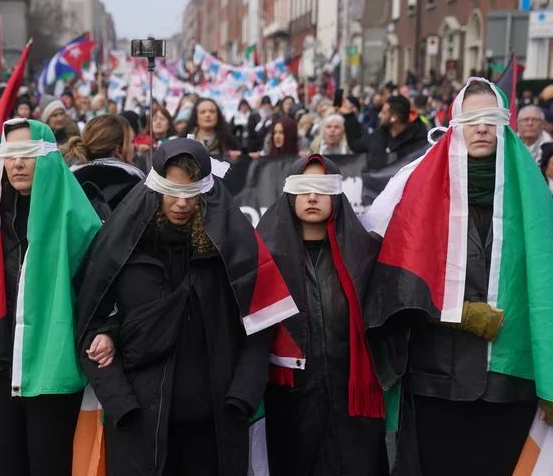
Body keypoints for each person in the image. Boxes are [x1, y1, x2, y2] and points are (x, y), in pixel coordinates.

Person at [363, 78, 553, 476]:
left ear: (506, 125)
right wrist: (455, 311)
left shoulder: (535, 197)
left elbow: (545, 288)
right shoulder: (418, 191)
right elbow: (393, 282)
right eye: (472, 118)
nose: (482, 127)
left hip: (511, 383)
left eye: (491, 118)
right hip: (439, 382)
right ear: (455, 126)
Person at [76, 138, 296, 476]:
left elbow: (261, 324)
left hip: (215, 427)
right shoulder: (122, 250)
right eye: (172, 191)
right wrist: (121, 403)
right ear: (155, 190)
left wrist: (242, 396)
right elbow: (89, 325)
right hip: (140, 428)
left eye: (190, 193)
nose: (181, 203)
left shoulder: (231, 252)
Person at [0, 118, 102, 476]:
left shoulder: (81, 221)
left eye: (27, 154)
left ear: (46, 158)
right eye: (10, 155)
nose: (17, 163)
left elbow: (99, 295)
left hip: (52, 368)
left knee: (50, 466)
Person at [258, 155, 388, 475]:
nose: (313, 197)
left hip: (354, 405)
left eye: (321, 188)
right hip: (290, 405)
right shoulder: (263, 260)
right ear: (290, 195)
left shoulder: (367, 255)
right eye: (304, 189)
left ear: (337, 196)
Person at [67, 114, 145, 219]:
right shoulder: (135, 186)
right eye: (131, 141)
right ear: (118, 149)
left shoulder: (68, 179)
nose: (133, 146)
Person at [345, 94, 428, 170]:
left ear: (394, 118)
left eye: (384, 113)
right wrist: (349, 116)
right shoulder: (378, 136)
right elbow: (355, 145)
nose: (379, 115)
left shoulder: (420, 145)